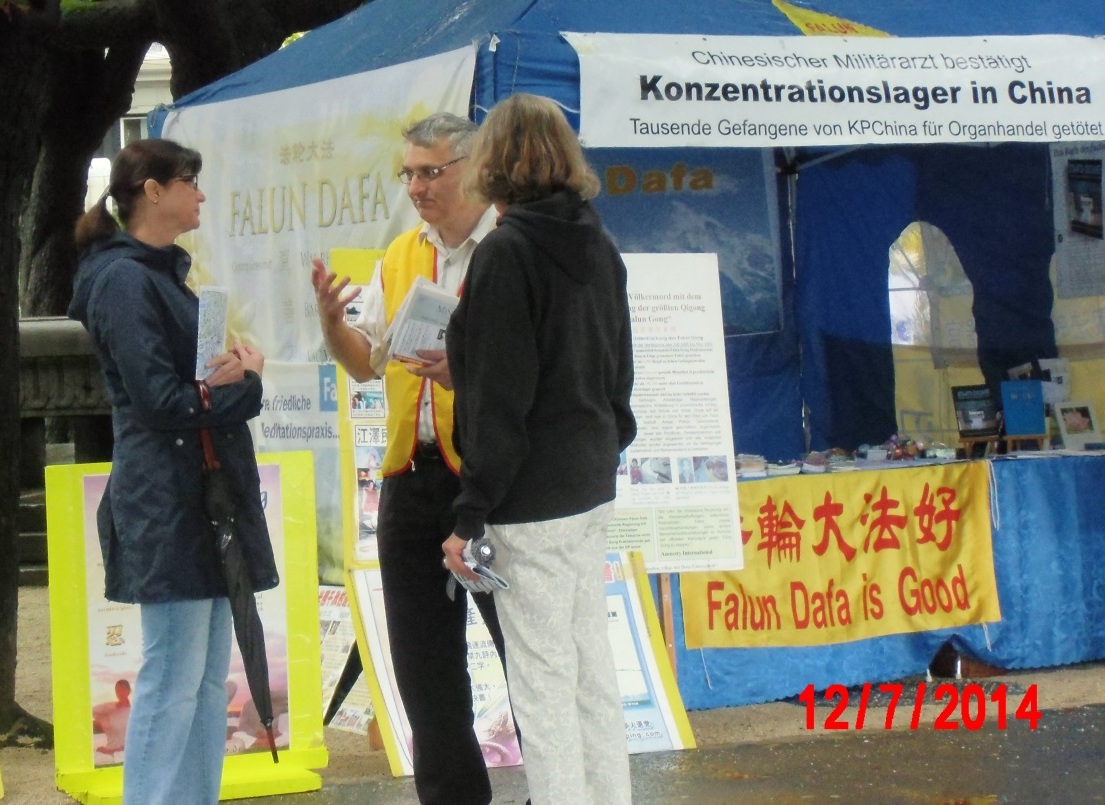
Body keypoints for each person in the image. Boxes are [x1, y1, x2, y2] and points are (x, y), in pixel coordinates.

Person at [68, 138, 277, 805]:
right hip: (168, 498)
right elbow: (158, 400)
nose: (201, 194)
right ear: (153, 191)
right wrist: (243, 386)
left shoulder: (154, 274)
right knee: (174, 674)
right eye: (191, 180)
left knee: (207, 677)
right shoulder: (124, 279)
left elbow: (180, 388)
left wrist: (226, 376)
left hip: (197, 493)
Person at [443, 93, 637, 805]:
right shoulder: (597, 243)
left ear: (492, 162)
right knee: (590, 672)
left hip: (530, 496)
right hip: (590, 480)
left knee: (543, 682)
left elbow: (502, 400)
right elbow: (619, 370)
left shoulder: (506, 253)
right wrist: (607, 440)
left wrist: (469, 513)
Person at [310, 112, 508, 805]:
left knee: (524, 650)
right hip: (410, 477)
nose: (417, 187)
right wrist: (331, 324)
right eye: (409, 174)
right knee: (424, 669)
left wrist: (467, 370)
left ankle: (558, 787)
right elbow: (365, 363)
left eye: (431, 172)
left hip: (490, 478)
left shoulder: (506, 246)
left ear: (472, 167)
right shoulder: (399, 255)